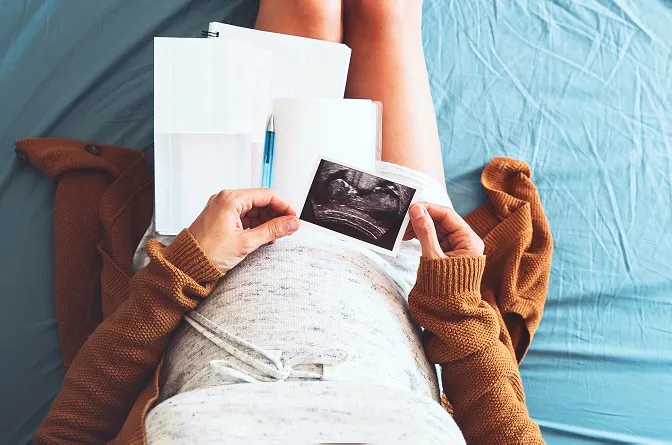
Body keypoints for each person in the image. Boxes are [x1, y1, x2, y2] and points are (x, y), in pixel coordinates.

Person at [35, 1, 545, 443]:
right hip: (399, 263)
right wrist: (456, 311)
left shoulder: (192, 258)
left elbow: (70, 433)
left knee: (309, 11)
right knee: (385, 14)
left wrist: (180, 273)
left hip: (211, 246)